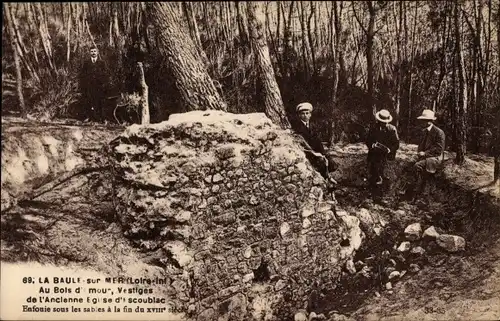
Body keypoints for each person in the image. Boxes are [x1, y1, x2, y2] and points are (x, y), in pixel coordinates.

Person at [293, 102, 338, 182]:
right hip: (307, 152)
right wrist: (314, 153)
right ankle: (322, 180)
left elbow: (317, 141)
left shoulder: (312, 126)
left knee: (331, 162)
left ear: (310, 115)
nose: (305, 115)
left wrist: (323, 152)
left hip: (316, 150)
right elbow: (302, 143)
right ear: (299, 115)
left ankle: (327, 178)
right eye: (302, 114)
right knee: (320, 162)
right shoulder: (297, 127)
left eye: (307, 113)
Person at [408, 109, 446, 200]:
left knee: (417, 166)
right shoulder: (424, 132)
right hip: (425, 157)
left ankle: (418, 192)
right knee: (409, 164)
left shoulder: (439, 132)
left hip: (434, 158)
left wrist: (425, 153)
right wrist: (419, 154)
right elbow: (421, 146)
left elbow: (439, 149)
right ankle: (409, 190)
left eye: (423, 121)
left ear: (429, 122)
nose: (421, 123)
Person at [365, 109, 400, 187]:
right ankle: (375, 178)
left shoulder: (392, 129)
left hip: (388, 153)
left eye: (386, 122)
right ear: (379, 121)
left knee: (382, 161)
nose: (384, 124)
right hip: (375, 151)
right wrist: (372, 145)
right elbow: (368, 140)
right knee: (374, 160)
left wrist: (390, 149)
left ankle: (381, 178)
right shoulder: (374, 128)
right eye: (382, 122)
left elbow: (396, 144)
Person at [79, 46, 109, 122]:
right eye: (92, 51)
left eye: (94, 51)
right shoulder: (86, 63)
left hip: (99, 86)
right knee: (88, 101)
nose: (93, 53)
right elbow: (82, 75)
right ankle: (88, 117)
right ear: (89, 53)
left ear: (97, 52)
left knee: (100, 102)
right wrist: (83, 85)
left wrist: (103, 84)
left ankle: (102, 118)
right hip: (89, 86)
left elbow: (105, 74)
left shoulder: (102, 63)